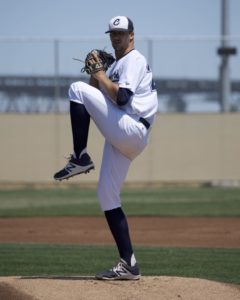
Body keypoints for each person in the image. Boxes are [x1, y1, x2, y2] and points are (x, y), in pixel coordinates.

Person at [54, 16, 158, 280]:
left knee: (74, 88)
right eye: (112, 33)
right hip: (124, 138)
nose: (116, 38)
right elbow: (94, 100)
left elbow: (123, 98)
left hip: (132, 126)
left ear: (132, 35)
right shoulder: (115, 66)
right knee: (107, 195)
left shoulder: (133, 60)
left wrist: (99, 74)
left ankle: (80, 157)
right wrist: (95, 75)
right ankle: (129, 264)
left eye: (121, 33)